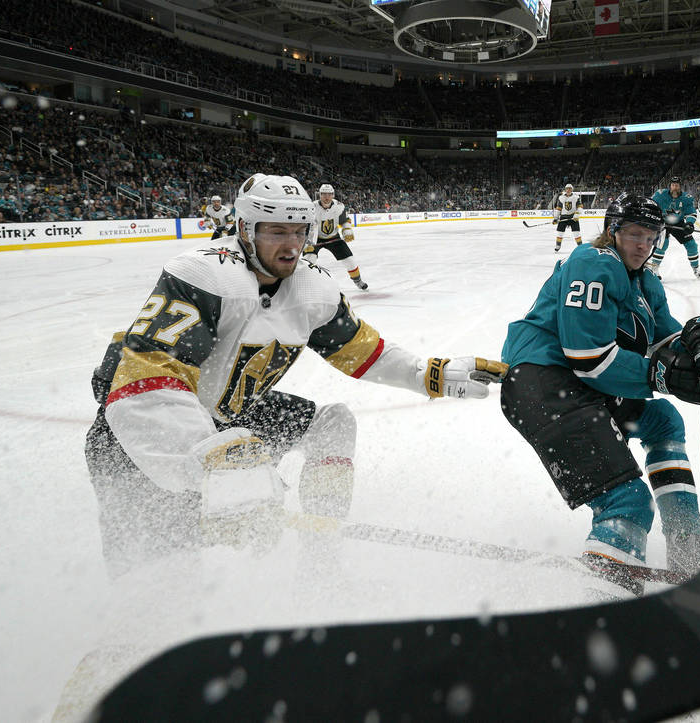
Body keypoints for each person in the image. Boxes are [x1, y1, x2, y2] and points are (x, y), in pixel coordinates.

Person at [85, 174, 506, 577]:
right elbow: (144, 382)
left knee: (331, 425)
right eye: (276, 232)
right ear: (245, 229)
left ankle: (320, 567)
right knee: (158, 604)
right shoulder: (204, 274)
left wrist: (426, 373)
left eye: (299, 231)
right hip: (137, 438)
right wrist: (213, 462)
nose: (291, 246)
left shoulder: (311, 288)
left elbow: (363, 352)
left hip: (229, 423)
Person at [498, 194, 700, 593]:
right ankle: (604, 612)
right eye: (634, 234)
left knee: (664, 419)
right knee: (628, 501)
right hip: (544, 386)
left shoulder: (646, 283)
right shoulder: (591, 263)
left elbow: (668, 342)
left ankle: (685, 546)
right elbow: (588, 357)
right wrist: (662, 376)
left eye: (651, 237)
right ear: (612, 231)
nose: (643, 245)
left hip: (581, 389)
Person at [304, 183, 367, 290]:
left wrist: (347, 229)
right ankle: (305, 285)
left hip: (334, 238)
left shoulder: (339, 206)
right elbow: (306, 225)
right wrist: (308, 242)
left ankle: (358, 281)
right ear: (319, 195)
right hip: (315, 238)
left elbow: (345, 220)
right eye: (324, 194)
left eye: (329, 194)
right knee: (308, 260)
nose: (326, 197)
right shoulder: (312, 207)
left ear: (333, 195)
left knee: (350, 260)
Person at [649, 176, 700, 279]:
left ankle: (696, 269)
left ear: (680, 187)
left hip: (678, 223)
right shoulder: (660, 194)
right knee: (662, 244)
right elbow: (651, 205)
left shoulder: (686, 198)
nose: (674, 187)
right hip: (663, 223)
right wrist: (654, 218)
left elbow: (691, 213)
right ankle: (655, 269)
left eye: (677, 185)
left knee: (692, 245)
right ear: (670, 186)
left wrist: (689, 223)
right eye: (673, 185)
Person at [552, 183, 583, 253]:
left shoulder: (576, 197)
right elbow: (558, 208)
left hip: (573, 217)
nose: (568, 190)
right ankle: (558, 246)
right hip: (563, 217)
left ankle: (580, 247)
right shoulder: (561, 197)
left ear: (572, 189)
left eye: (570, 188)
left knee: (576, 233)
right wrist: (556, 218)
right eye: (567, 188)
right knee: (560, 233)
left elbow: (580, 207)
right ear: (565, 189)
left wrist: (577, 214)